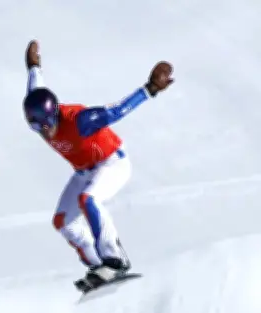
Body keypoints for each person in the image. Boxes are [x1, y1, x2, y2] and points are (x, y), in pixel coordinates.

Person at [22, 40, 173, 286]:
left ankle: (115, 261)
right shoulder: (38, 111)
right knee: (63, 222)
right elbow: (35, 87)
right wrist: (33, 66)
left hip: (113, 162)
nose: (45, 132)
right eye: (37, 127)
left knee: (88, 199)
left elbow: (116, 111)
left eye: (47, 125)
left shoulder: (80, 120)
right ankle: (97, 265)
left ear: (54, 114)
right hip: (84, 171)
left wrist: (150, 89)